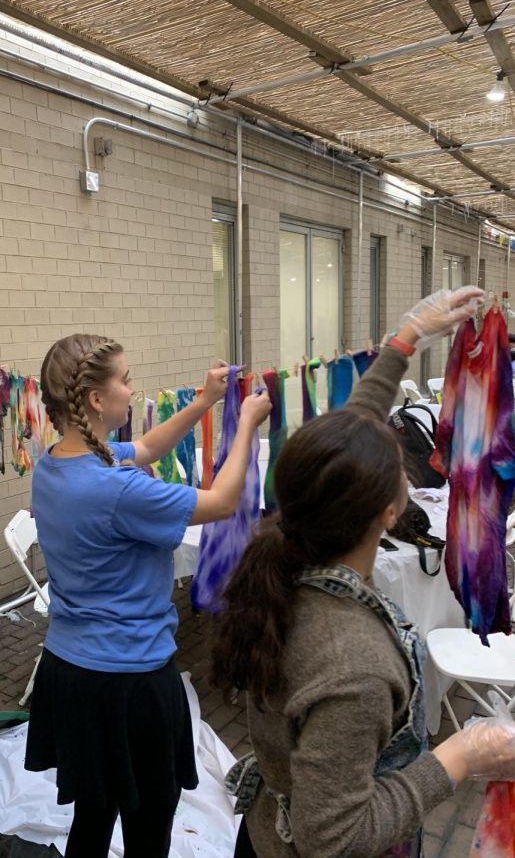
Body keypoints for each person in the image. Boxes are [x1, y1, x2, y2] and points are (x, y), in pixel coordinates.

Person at [210, 287, 515, 858]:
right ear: (391, 513)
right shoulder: (354, 663)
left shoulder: (292, 543)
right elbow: (336, 836)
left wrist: (407, 339)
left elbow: (350, 430)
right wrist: (458, 758)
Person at [24, 335, 271, 858]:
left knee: (93, 813)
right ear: (95, 398)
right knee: (149, 821)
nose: (134, 390)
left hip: (70, 672)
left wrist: (205, 401)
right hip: (130, 681)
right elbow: (224, 501)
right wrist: (246, 423)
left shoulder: (57, 463)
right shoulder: (117, 490)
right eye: (126, 380)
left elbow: (149, 447)